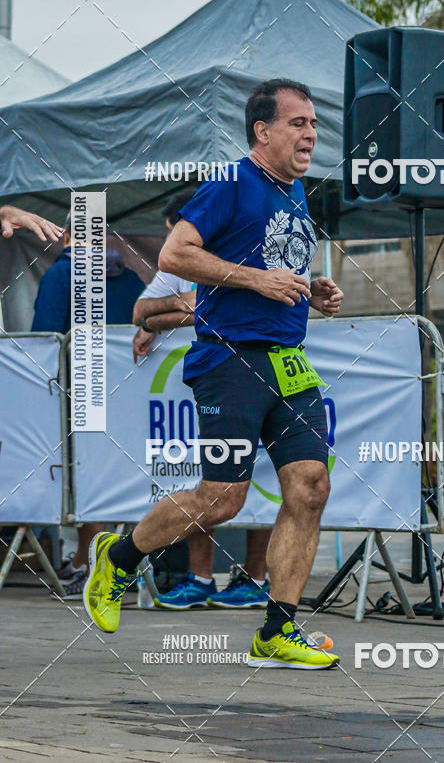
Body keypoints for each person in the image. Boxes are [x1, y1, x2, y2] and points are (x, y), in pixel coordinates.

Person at [85, 78, 344, 670]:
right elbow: (177, 255)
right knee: (222, 499)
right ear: (263, 130)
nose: (309, 134)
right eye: (297, 123)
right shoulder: (232, 181)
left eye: (313, 123)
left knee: (310, 486)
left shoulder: (295, 191)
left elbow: (276, 268)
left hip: (289, 362)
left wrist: (311, 291)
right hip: (231, 360)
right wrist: (256, 281)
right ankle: (119, 557)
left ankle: (277, 632)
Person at [133, 191, 272, 611]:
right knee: (212, 480)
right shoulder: (178, 263)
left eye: (178, 232)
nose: (173, 243)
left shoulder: (246, 247)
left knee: (262, 476)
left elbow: (235, 312)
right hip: (209, 379)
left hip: (260, 371)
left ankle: (255, 577)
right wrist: (181, 305)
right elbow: (141, 311)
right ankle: (200, 578)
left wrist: (184, 313)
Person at [32, 213, 145, 597]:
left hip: (79, 392)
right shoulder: (129, 278)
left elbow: (43, 339)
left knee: (85, 477)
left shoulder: (59, 276)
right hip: (129, 394)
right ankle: (112, 561)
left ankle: (84, 562)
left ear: (65, 235)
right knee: (117, 476)